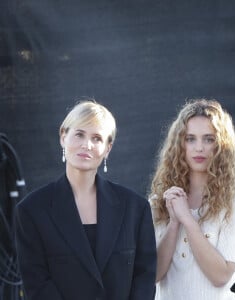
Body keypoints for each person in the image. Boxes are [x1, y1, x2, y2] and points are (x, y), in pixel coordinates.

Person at [14, 99, 157, 300]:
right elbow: (36, 283)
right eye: (79, 134)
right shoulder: (31, 210)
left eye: (97, 138)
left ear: (108, 148)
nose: (87, 145)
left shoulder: (135, 208)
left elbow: (145, 276)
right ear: (63, 136)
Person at [149, 98, 235, 300]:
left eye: (209, 139)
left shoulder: (234, 205)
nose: (199, 147)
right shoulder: (160, 202)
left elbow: (220, 276)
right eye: (190, 139)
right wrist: (174, 222)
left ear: (221, 146)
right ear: (179, 144)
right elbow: (153, 274)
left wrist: (186, 218)